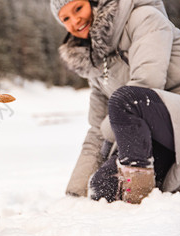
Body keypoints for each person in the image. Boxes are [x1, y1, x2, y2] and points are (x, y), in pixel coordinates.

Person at [50, 0, 180, 203]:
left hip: (172, 115)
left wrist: (112, 134)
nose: (75, 21)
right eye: (65, 18)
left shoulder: (144, 18)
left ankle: (138, 199)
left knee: (125, 99)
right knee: (103, 185)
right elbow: (96, 129)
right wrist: (74, 193)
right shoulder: (95, 63)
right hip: (153, 136)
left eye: (78, 8)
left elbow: (146, 85)